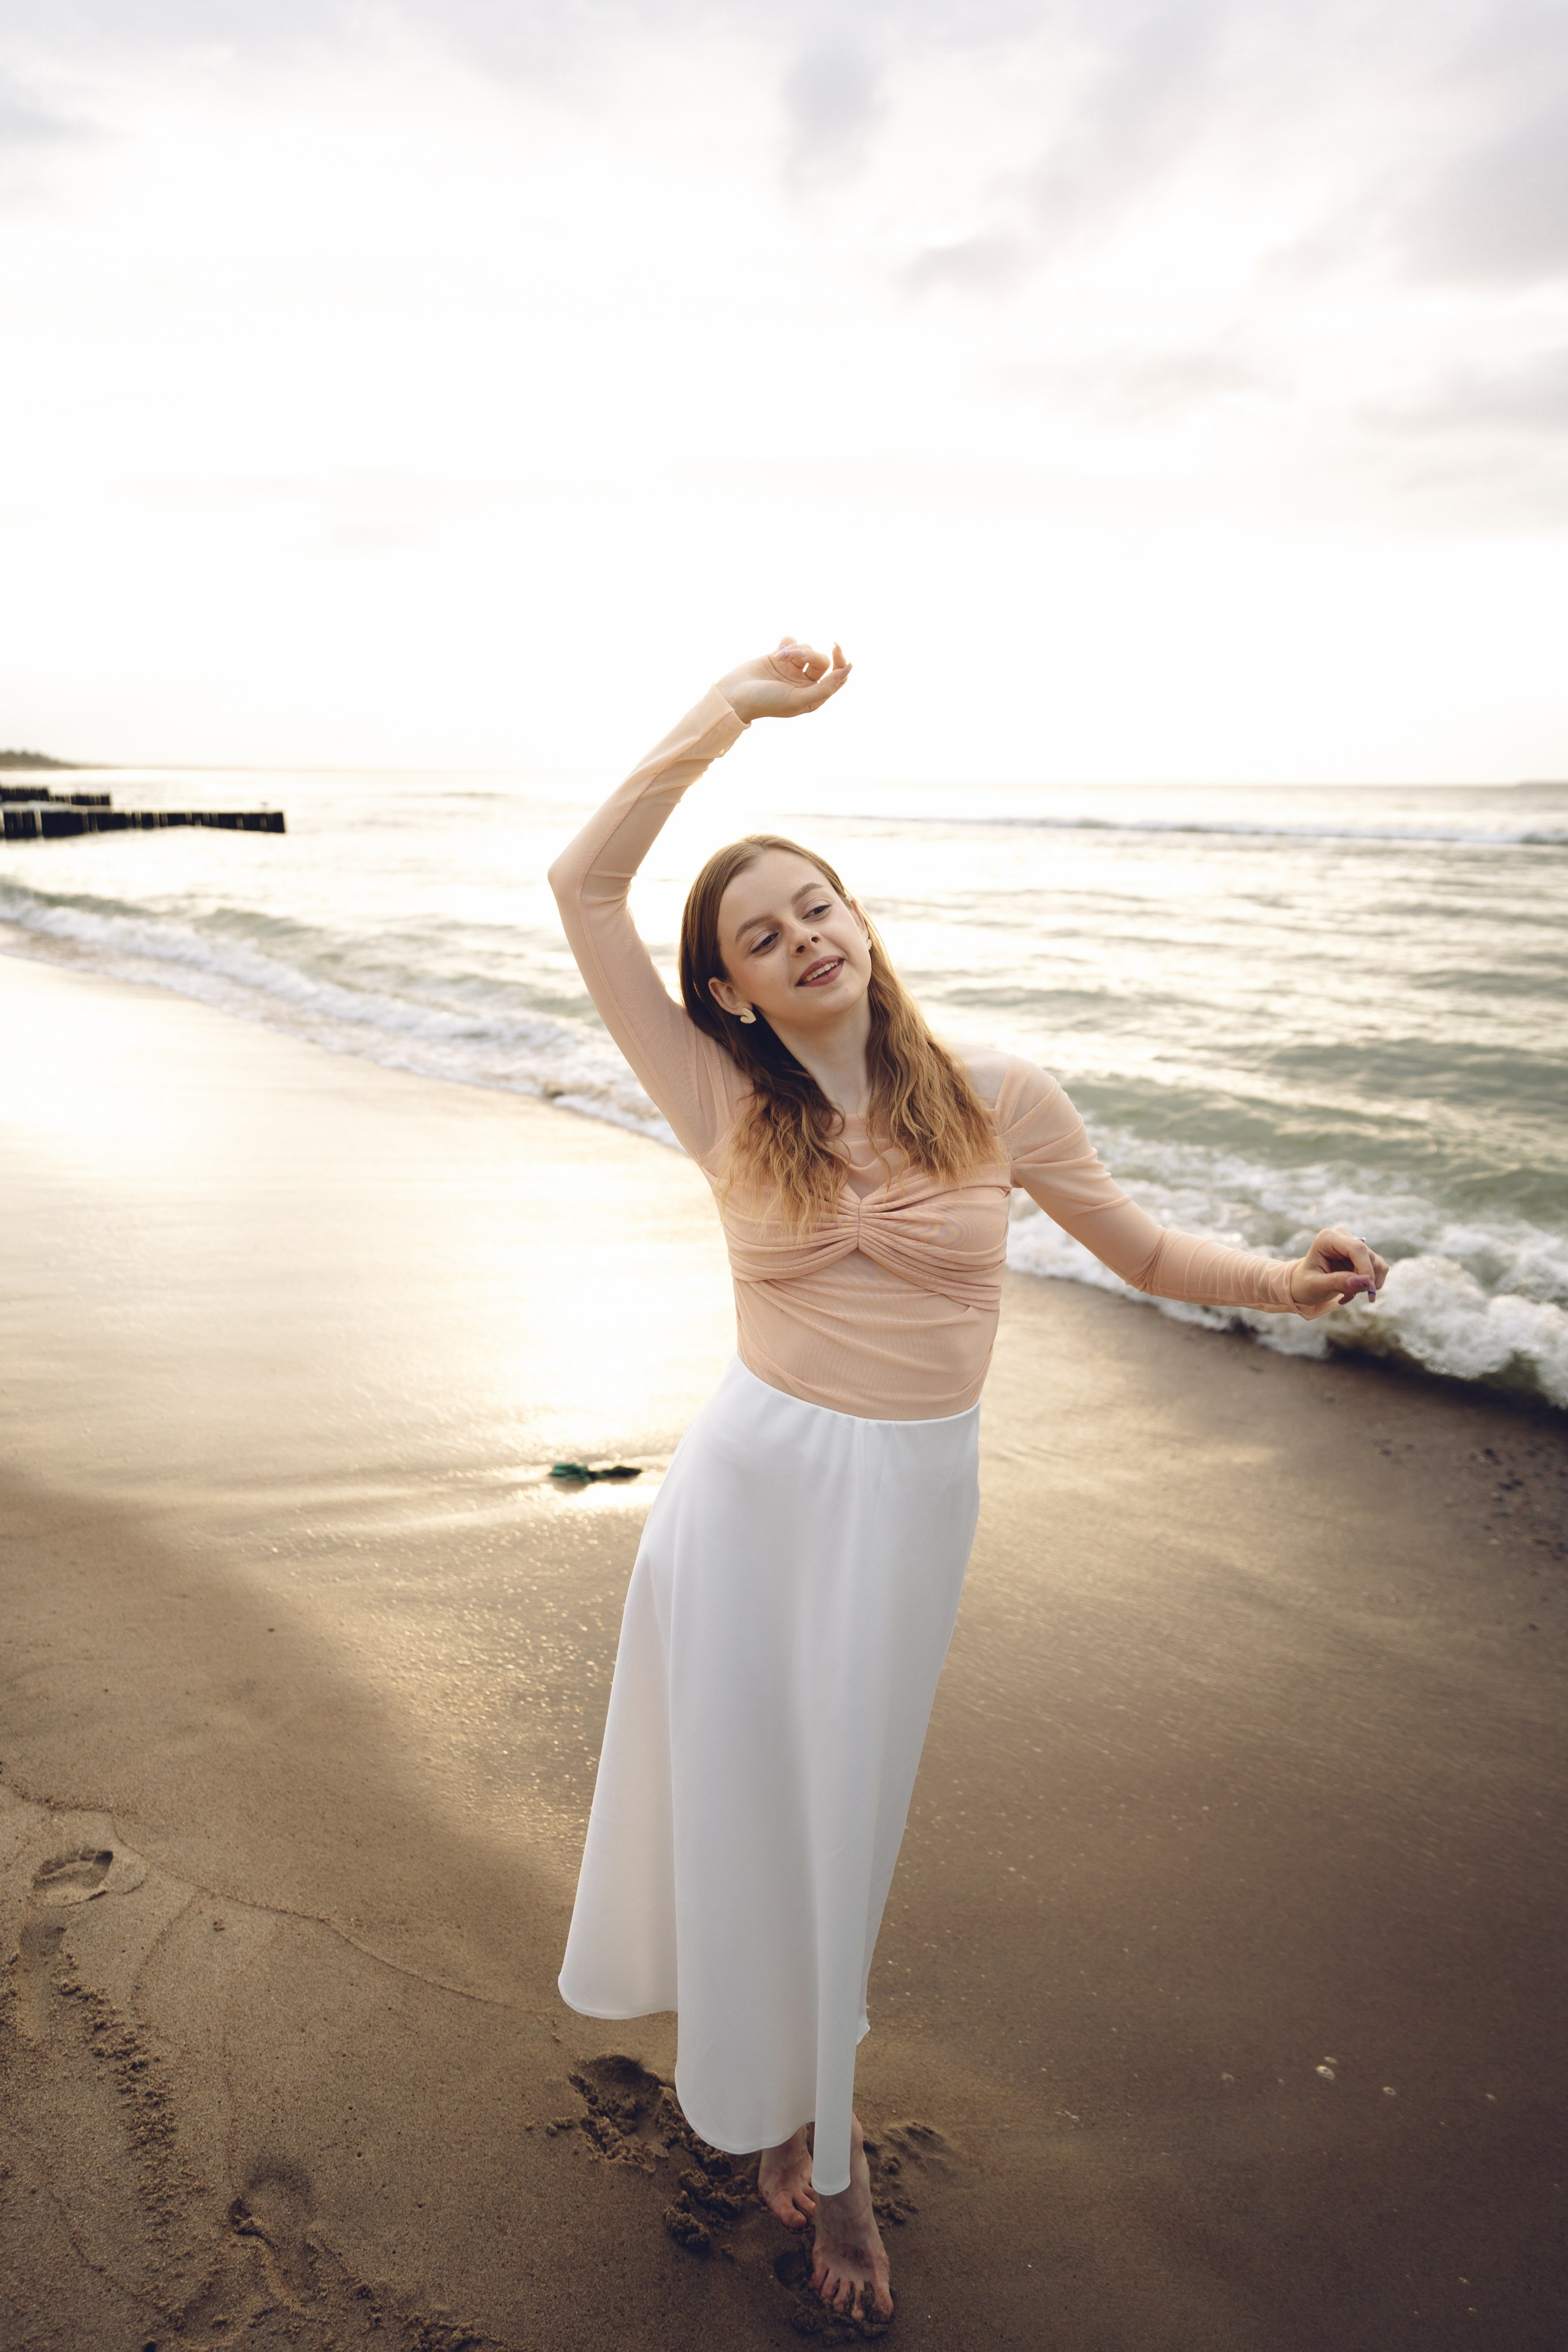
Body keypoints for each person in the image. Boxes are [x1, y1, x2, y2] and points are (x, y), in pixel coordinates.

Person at [548, 639, 1386, 2324]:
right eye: (761, 935)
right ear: (730, 992)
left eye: (817, 904)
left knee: (841, 1833)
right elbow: (584, 884)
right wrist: (732, 714)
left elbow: (1142, 1250)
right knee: (753, 1812)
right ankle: (823, 2171)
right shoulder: (718, 1096)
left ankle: (814, 2132)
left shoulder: (999, 1099)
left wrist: (1291, 1286)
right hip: (750, 1495)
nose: (803, 937)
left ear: (862, 919)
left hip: (906, 1506)